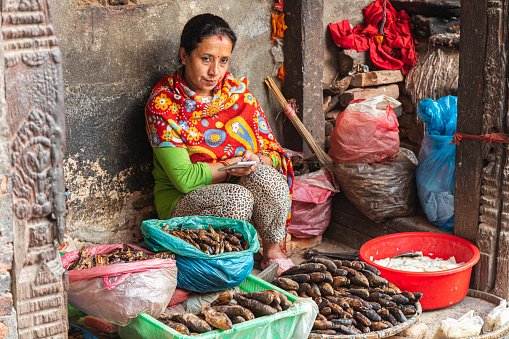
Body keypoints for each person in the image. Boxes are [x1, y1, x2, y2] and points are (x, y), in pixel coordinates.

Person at [145, 13, 295, 276]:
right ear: (184, 55)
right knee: (237, 198)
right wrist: (230, 166)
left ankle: (271, 252)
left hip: (235, 182)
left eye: (223, 61)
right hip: (184, 202)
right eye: (206, 59)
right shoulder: (163, 106)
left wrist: (257, 160)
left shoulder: (238, 95)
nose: (215, 71)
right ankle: (222, 263)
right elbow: (184, 179)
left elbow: (275, 154)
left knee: (269, 179)